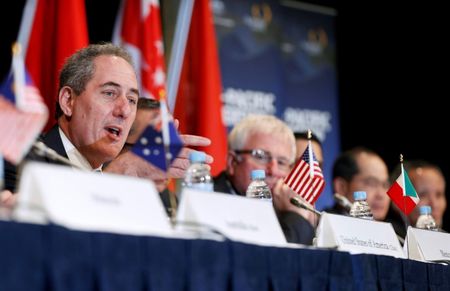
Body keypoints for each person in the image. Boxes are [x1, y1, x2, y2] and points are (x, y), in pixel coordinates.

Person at [213, 114, 315, 245]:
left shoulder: (283, 208)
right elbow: (273, 257)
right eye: (261, 157)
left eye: (282, 162)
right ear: (232, 162)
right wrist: (297, 217)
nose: (273, 171)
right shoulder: (208, 198)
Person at [392, 160, 447, 231]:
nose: (434, 204)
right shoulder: (386, 238)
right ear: (398, 200)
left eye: (438, 195)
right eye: (423, 195)